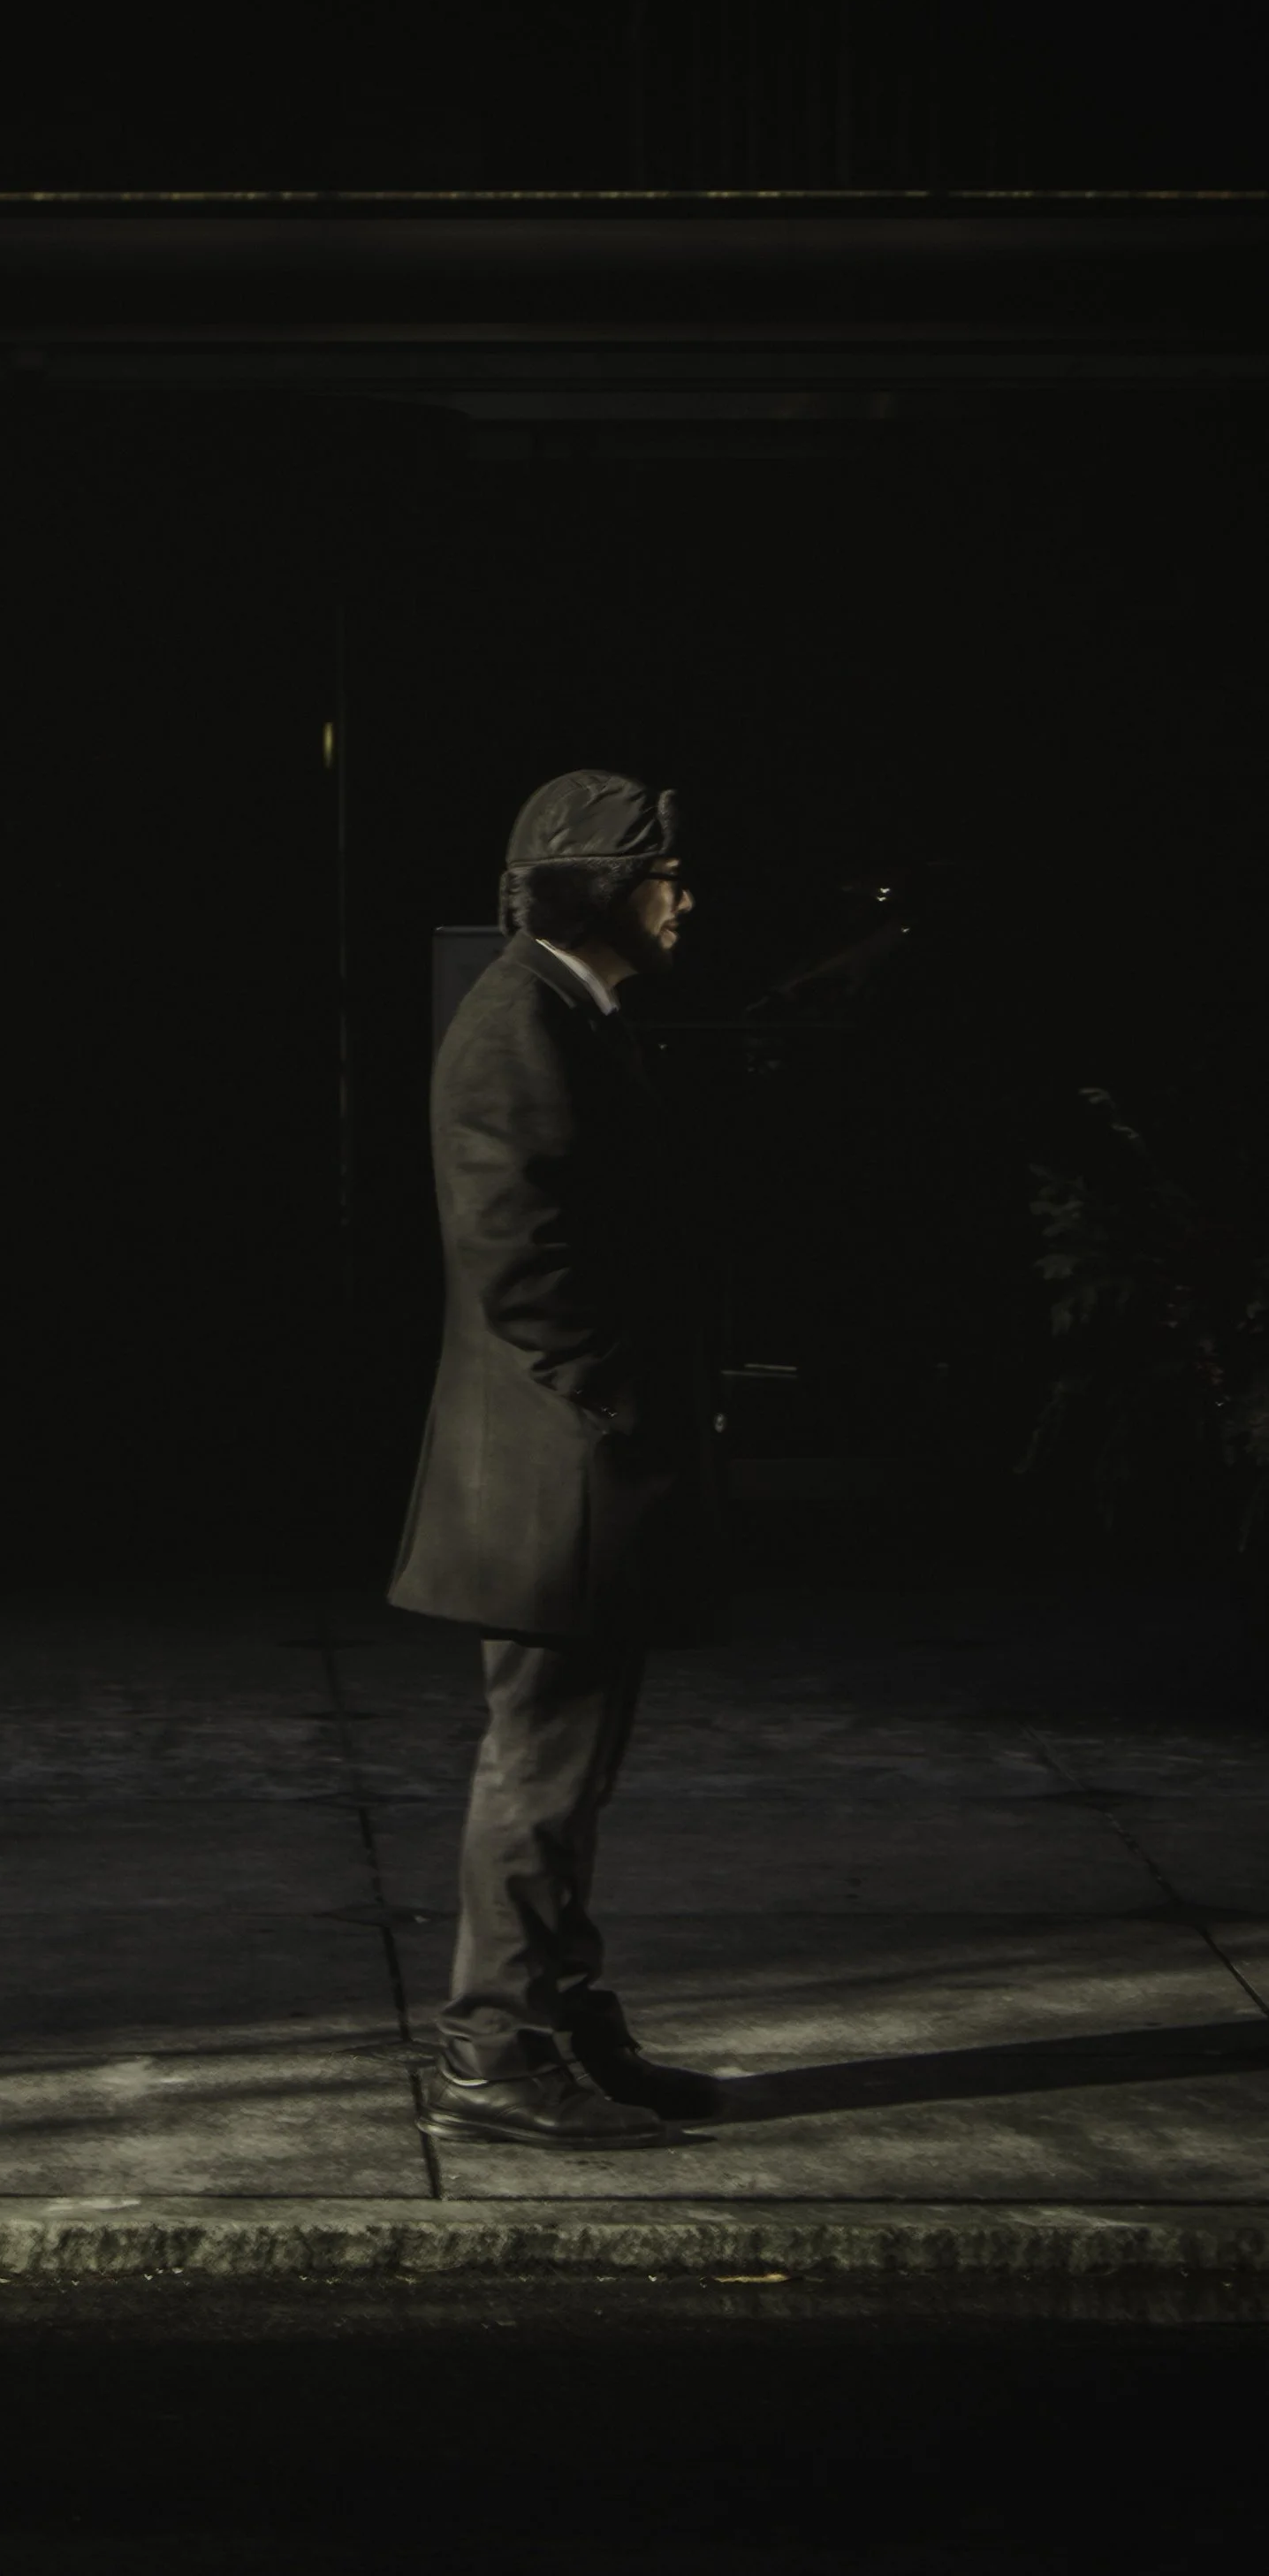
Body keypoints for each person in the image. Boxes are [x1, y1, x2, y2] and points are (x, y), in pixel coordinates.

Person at [389, 767, 724, 2148]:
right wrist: (612, 1405)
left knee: (567, 1766)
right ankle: (495, 2052)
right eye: (660, 875)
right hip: (552, 1472)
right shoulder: (521, 1021)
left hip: (569, 1464)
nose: (683, 897)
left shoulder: (566, 1012)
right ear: (596, 887)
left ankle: (562, 2018)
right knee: (539, 1766)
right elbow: (519, 1255)